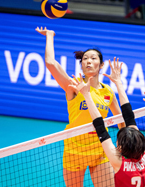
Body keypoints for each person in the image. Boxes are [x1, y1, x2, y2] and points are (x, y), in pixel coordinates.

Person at [36, 27, 125, 187]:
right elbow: (50, 63)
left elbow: (121, 122)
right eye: (85, 59)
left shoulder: (108, 92)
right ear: (81, 64)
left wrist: (124, 143)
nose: (88, 61)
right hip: (74, 151)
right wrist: (50, 35)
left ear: (101, 64)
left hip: (100, 148)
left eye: (93, 58)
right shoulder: (74, 86)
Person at [69, 58, 145, 187]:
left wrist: (86, 94)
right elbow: (129, 117)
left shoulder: (118, 161)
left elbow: (100, 126)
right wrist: (118, 82)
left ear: (120, 147)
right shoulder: (144, 155)